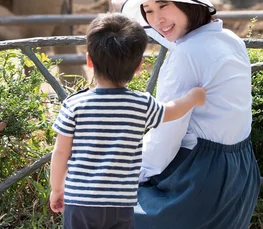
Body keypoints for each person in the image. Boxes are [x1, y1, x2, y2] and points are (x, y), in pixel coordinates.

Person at [112, 0, 261, 228]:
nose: (156, 19)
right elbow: (180, 39)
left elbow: (165, 134)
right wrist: (125, 9)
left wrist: (130, 175)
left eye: (163, 5)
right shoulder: (228, 40)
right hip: (240, 174)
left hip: (197, 180)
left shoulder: (186, 55)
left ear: (186, 3)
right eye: (148, 10)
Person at [49, 12, 207, 229]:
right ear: (139, 66)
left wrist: (57, 189)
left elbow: (61, 152)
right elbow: (171, 111)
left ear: (89, 61)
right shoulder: (141, 104)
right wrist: (192, 98)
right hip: (120, 204)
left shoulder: (74, 105)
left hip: (80, 202)